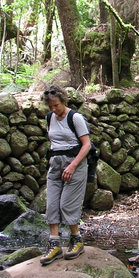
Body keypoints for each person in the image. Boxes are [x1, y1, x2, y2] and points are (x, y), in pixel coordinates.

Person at [40, 85, 92, 265]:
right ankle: (54, 244)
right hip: (55, 164)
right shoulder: (49, 118)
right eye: (50, 107)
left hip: (75, 164)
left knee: (67, 204)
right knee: (52, 203)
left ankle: (76, 240)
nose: (54, 110)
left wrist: (72, 165)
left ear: (63, 101)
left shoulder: (75, 117)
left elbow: (86, 145)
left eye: (56, 105)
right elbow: (54, 141)